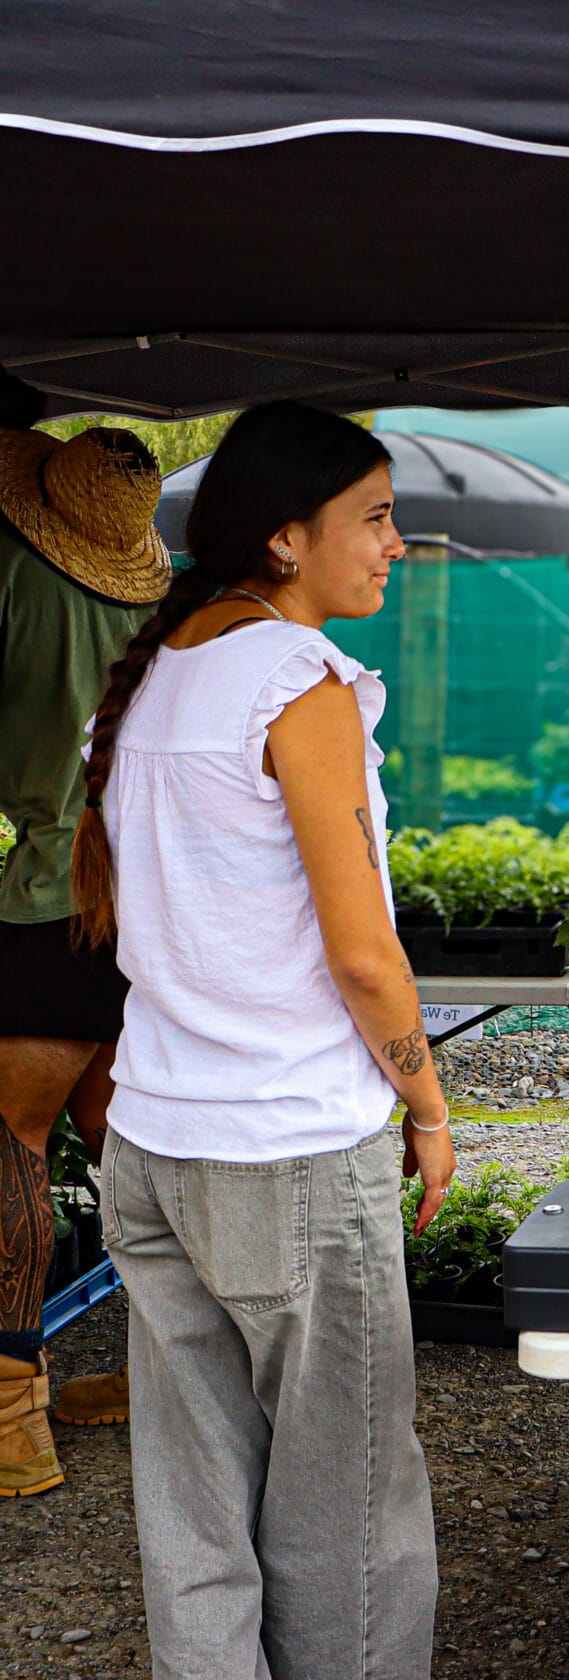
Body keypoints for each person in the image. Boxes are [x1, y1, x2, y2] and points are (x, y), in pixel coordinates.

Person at [74, 401, 450, 1679]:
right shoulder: (301, 681)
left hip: (153, 1144)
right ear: (287, 537)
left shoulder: (162, 667)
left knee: (193, 1507)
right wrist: (430, 1108)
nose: (396, 544)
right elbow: (364, 956)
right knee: (347, 1512)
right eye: (376, 517)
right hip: (288, 1148)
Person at [0, 377, 171, 1495]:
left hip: (52, 893)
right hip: (163, 895)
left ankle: (14, 1413)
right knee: (135, 1138)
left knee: (12, 1138)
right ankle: (169, 1380)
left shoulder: (8, 574)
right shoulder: (172, 600)